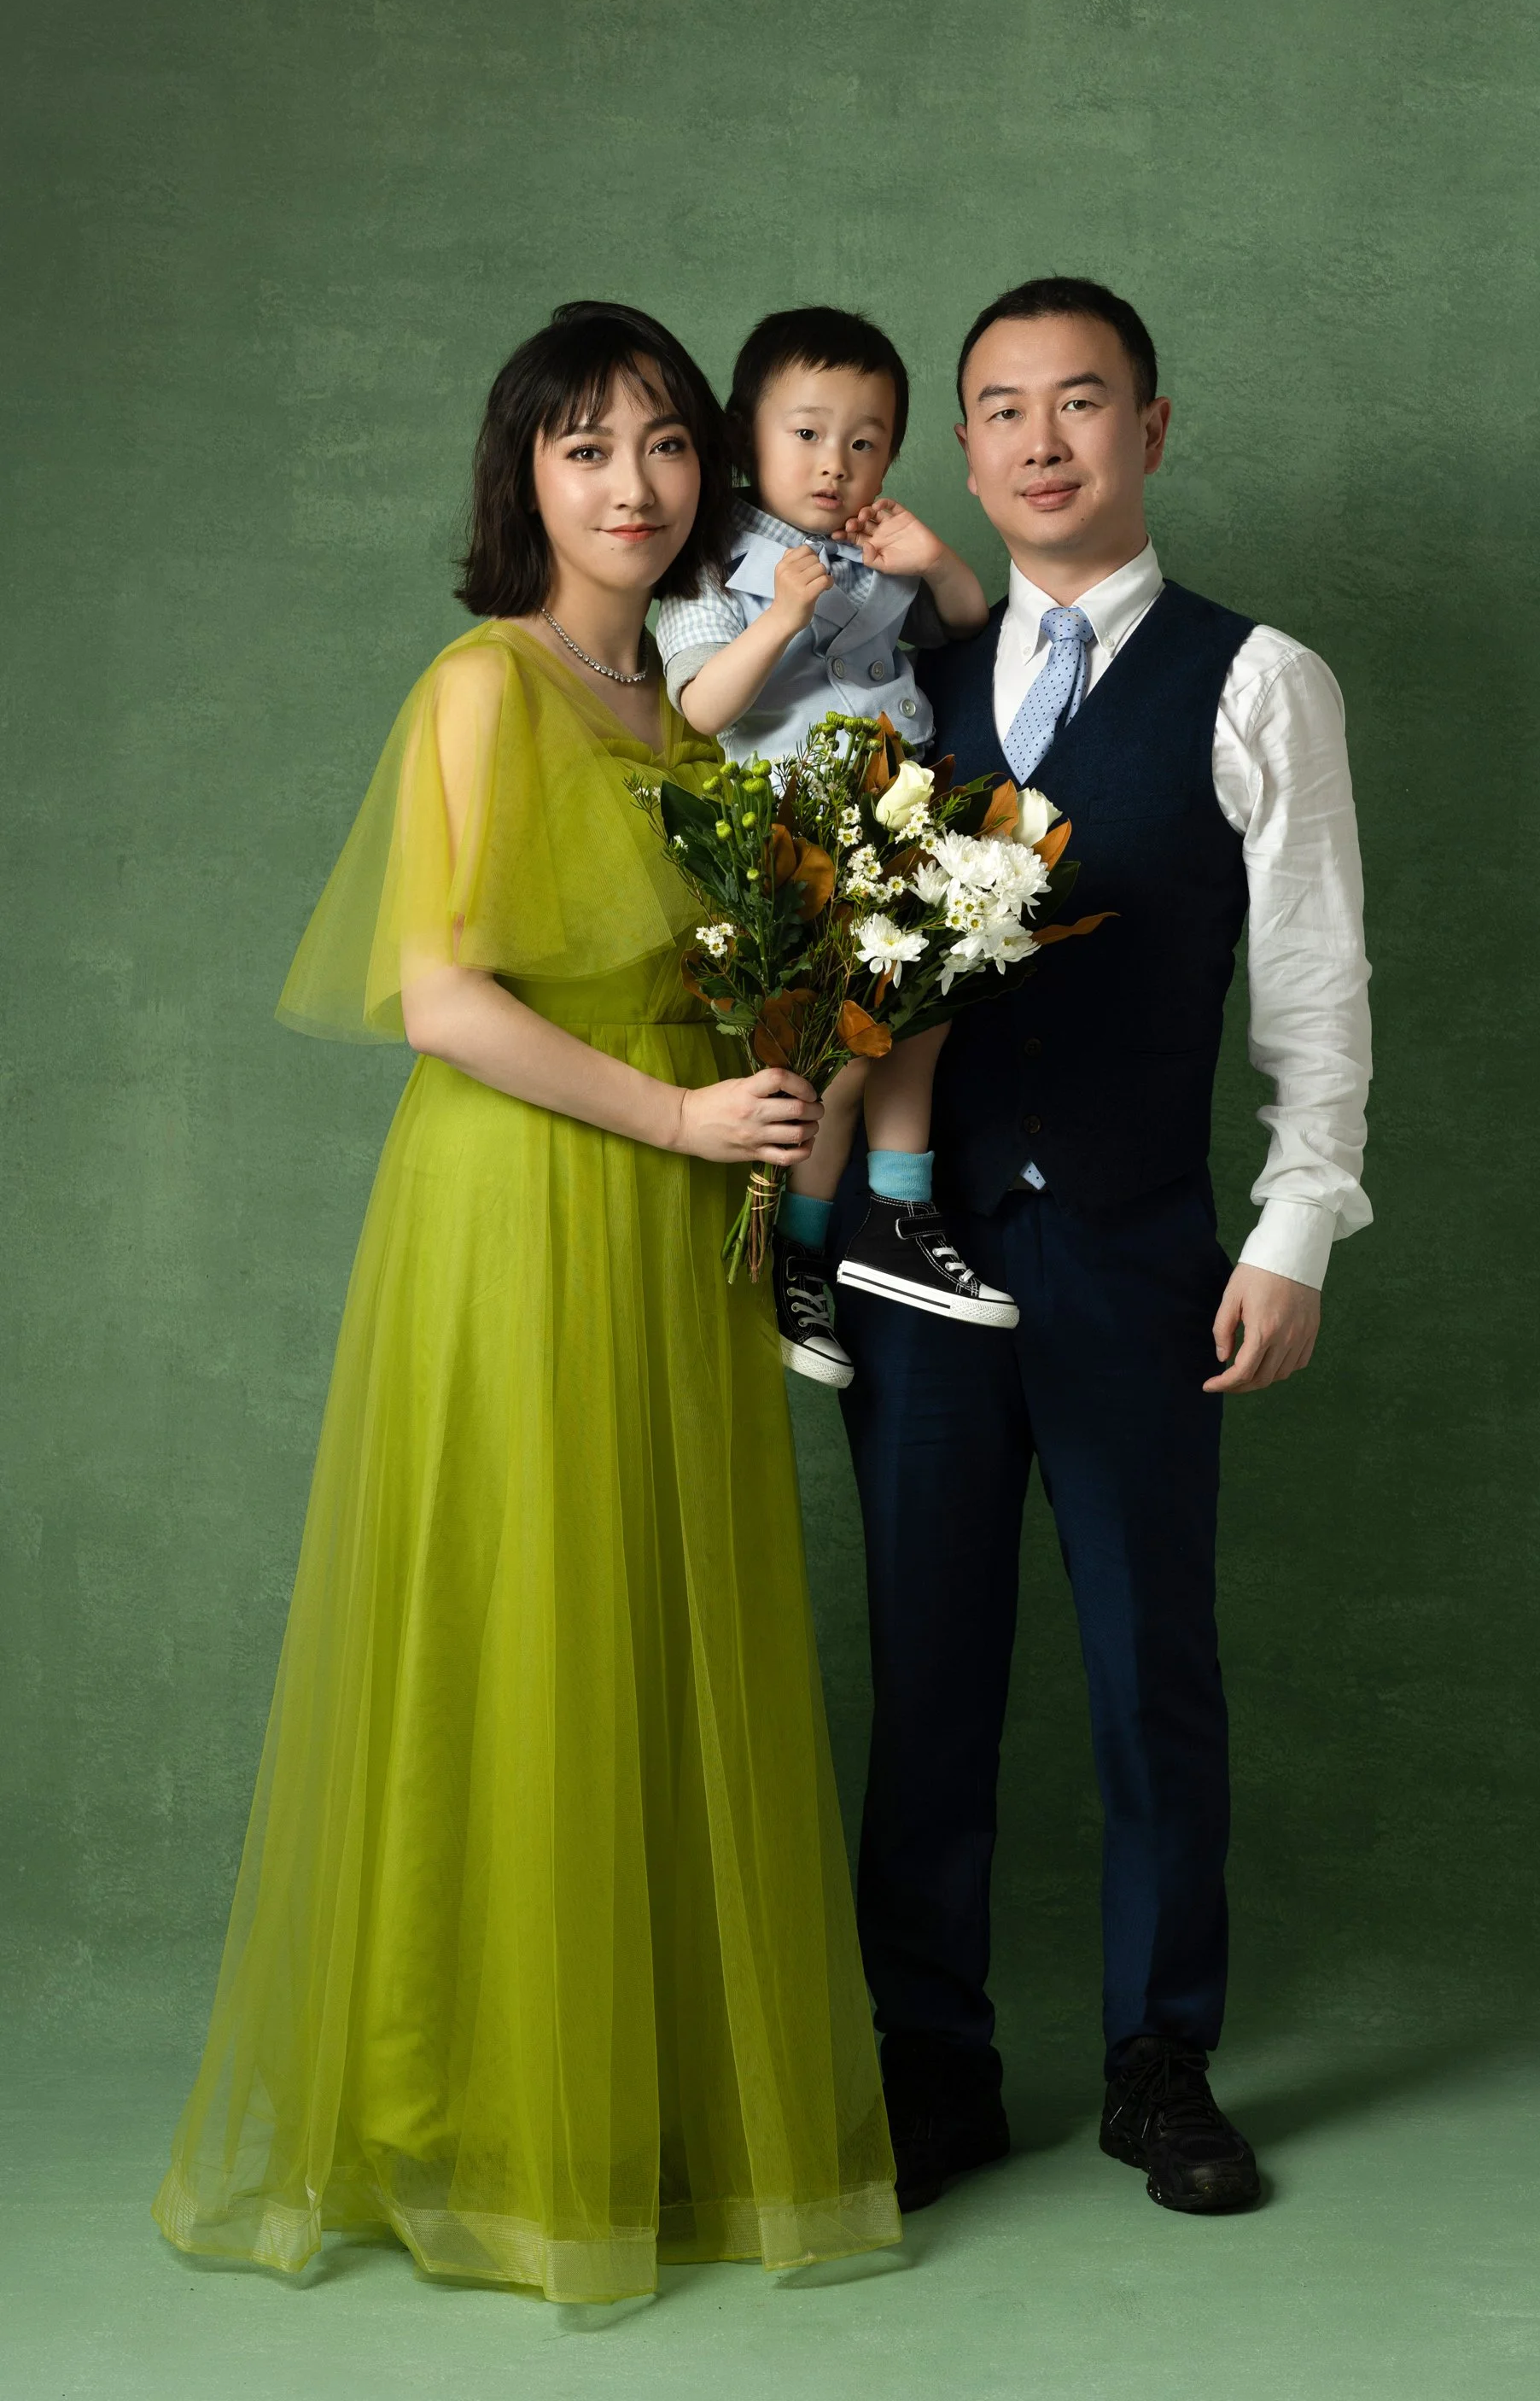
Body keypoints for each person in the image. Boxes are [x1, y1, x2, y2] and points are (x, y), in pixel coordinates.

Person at [152, 301, 900, 2305]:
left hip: (667, 1217)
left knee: (642, 1626)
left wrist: (793, 1068)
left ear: (707, 473)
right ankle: (471, 2117)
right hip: (518, 1206)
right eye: (585, 448)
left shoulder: (681, 711)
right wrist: (683, 1109)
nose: (631, 484)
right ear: (524, 479)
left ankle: (622, 2100)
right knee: (518, 1624)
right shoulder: (482, 684)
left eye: (663, 443)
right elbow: (442, 995)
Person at [832, 277, 1373, 2217]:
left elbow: (1312, 978)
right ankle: (930, 2066)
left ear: (1148, 428)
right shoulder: (898, 680)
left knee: (1152, 1663)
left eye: (1080, 402)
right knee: (926, 1666)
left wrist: (1294, 1224)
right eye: (1000, 408)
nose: (1040, 439)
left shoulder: (1257, 677)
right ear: (962, 454)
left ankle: (1161, 2061)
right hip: (914, 1251)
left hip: (1139, 1252)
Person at [654, 306, 1016, 1388]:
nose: (835, 464)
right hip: (798, 842)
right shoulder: (707, 558)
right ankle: (799, 1255)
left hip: (895, 817)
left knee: (922, 1019)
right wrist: (778, 616)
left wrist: (934, 559)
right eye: (807, 434)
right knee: (839, 1060)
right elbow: (703, 705)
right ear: (743, 437)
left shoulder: (870, 545)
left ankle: (897, 1213)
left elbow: (964, 625)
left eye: (864, 442)